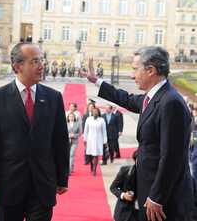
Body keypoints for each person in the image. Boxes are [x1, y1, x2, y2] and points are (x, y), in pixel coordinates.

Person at [81, 46, 193, 220]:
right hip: (150, 193)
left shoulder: (170, 102)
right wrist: (97, 81)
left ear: (151, 70)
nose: (132, 76)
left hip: (164, 201)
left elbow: (171, 157)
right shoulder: (154, 97)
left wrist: (157, 197)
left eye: (135, 70)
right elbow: (125, 98)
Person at [0, 42, 69, 220]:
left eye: (41, 60)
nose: (42, 66)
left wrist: (62, 178)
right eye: (35, 61)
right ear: (17, 67)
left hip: (42, 185)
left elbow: (61, 142)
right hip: (6, 185)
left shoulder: (53, 97)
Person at [110, 150, 139, 221]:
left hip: (141, 212)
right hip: (124, 211)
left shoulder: (149, 175)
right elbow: (113, 187)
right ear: (134, 161)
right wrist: (123, 195)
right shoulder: (125, 171)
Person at [83, 108, 107, 176]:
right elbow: (85, 130)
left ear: (98, 113)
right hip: (90, 139)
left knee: (96, 155)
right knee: (89, 155)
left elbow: (104, 131)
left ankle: (95, 170)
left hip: (98, 139)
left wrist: (105, 141)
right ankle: (91, 165)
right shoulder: (89, 119)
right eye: (93, 112)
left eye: (96, 112)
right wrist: (85, 140)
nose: (95, 113)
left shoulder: (101, 120)